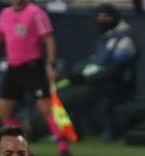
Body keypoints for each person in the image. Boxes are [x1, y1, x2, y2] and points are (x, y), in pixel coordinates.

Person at [0, 0, 74, 156]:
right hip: (13, 68)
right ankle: (25, 149)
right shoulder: (5, 14)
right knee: (4, 111)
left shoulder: (36, 12)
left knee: (46, 108)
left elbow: (48, 38)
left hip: (32, 66)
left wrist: (51, 64)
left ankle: (63, 148)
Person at [33, 3, 137, 141]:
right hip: (90, 82)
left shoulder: (125, 41)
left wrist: (87, 79)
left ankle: (36, 130)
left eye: (105, 17)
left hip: (106, 86)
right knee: (52, 90)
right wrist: (76, 77)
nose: (101, 20)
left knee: (60, 99)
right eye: (99, 17)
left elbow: (115, 71)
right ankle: (58, 129)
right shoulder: (105, 38)